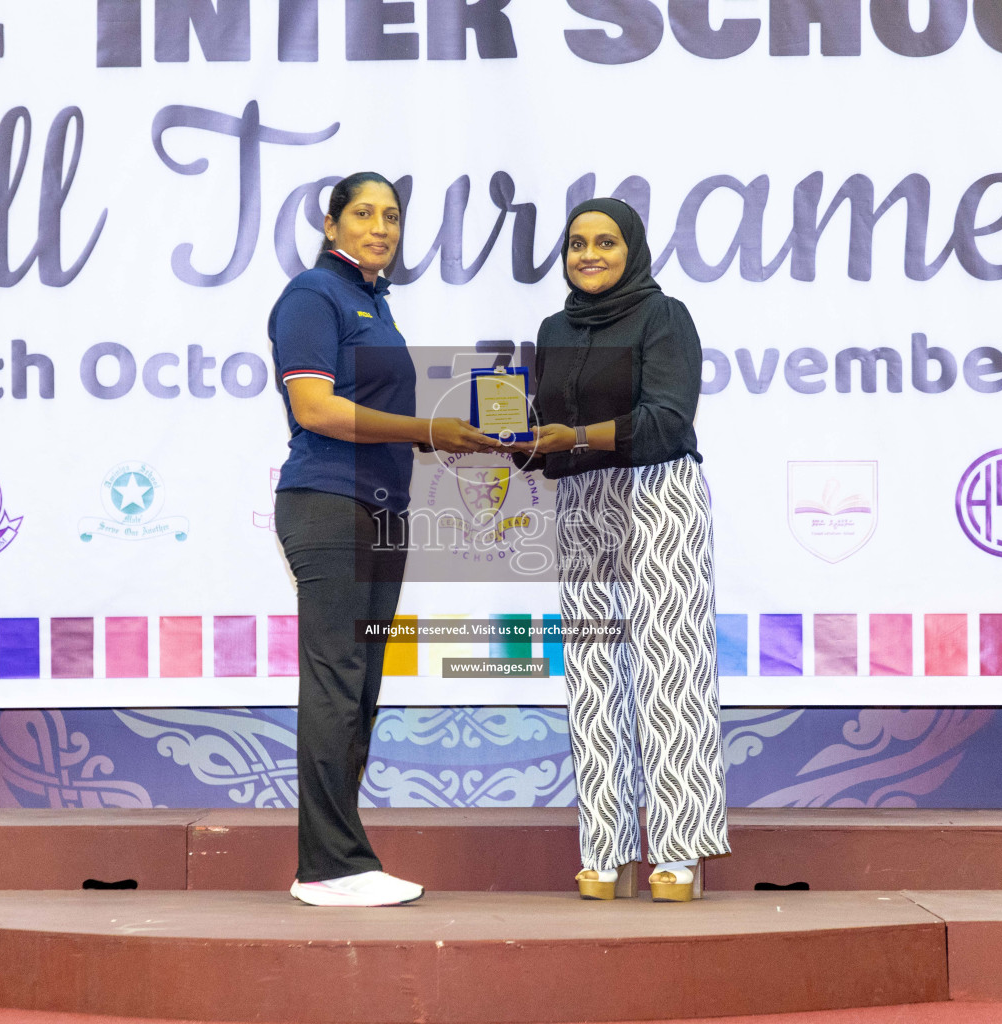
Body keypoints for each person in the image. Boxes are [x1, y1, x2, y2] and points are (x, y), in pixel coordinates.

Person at [268, 172, 494, 907]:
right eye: (363, 213)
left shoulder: (373, 304)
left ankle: (339, 860)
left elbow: (384, 414)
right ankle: (328, 868)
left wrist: (449, 431)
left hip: (380, 508)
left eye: (391, 215)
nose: (380, 226)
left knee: (360, 688)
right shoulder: (313, 295)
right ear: (330, 225)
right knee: (336, 680)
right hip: (328, 504)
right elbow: (317, 409)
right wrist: (428, 430)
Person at [516, 198, 730, 902]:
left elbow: (668, 419)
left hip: (657, 493)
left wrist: (575, 438)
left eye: (605, 242)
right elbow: (550, 431)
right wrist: (516, 445)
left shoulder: (663, 317)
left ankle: (678, 848)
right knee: (591, 672)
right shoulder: (554, 328)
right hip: (582, 501)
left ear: (631, 248)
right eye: (576, 244)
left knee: (671, 669)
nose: (589, 255)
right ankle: (604, 847)